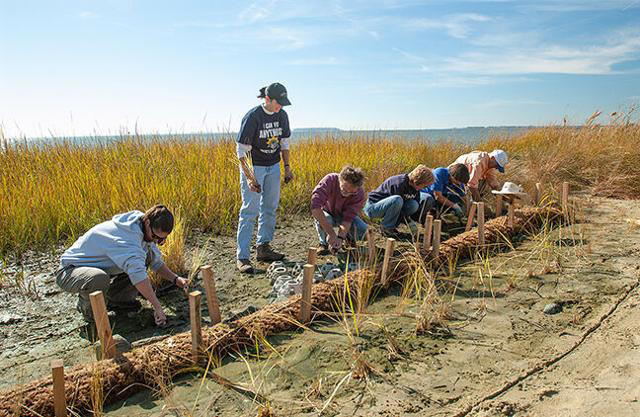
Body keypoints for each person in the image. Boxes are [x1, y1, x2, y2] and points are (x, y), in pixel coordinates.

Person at [55, 205, 188, 326]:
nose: (158, 241)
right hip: (70, 271)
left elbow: (155, 262)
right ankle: (90, 313)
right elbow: (139, 276)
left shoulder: (142, 227)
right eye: (155, 237)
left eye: (162, 239)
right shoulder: (127, 240)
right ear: (148, 222)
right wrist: (158, 308)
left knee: (146, 256)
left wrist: (176, 279)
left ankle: (117, 300)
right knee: (98, 278)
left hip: (100, 266)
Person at [235, 82, 293, 273]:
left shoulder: (282, 115)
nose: (281, 106)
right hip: (255, 166)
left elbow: (284, 142)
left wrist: (287, 167)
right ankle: (242, 257)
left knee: (270, 207)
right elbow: (241, 150)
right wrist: (250, 177)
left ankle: (263, 248)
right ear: (268, 99)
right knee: (250, 210)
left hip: (274, 165)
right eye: (279, 102)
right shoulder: (253, 116)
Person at [364, 165, 435, 238]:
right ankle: (386, 228)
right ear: (417, 181)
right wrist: (408, 221)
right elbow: (396, 207)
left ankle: (393, 226)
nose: (424, 188)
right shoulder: (398, 183)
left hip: (391, 207)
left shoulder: (415, 188)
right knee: (397, 200)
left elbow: (412, 208)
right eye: (424, 186)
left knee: (414, 205)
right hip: (373, 208)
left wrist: (426, 224)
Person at [311, 165, 367, 255]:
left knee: (363, 230)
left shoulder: (359, 193)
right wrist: (331, 234)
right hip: (327, 212)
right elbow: (315, 208)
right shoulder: (330, 180)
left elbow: (348, 219)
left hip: (343, 215)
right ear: (340, 179)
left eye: (351, 192)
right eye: (344, 190)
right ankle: (323, 244)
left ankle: (348, 238)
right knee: (326, 218)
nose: (347, 194)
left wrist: (340, 238)